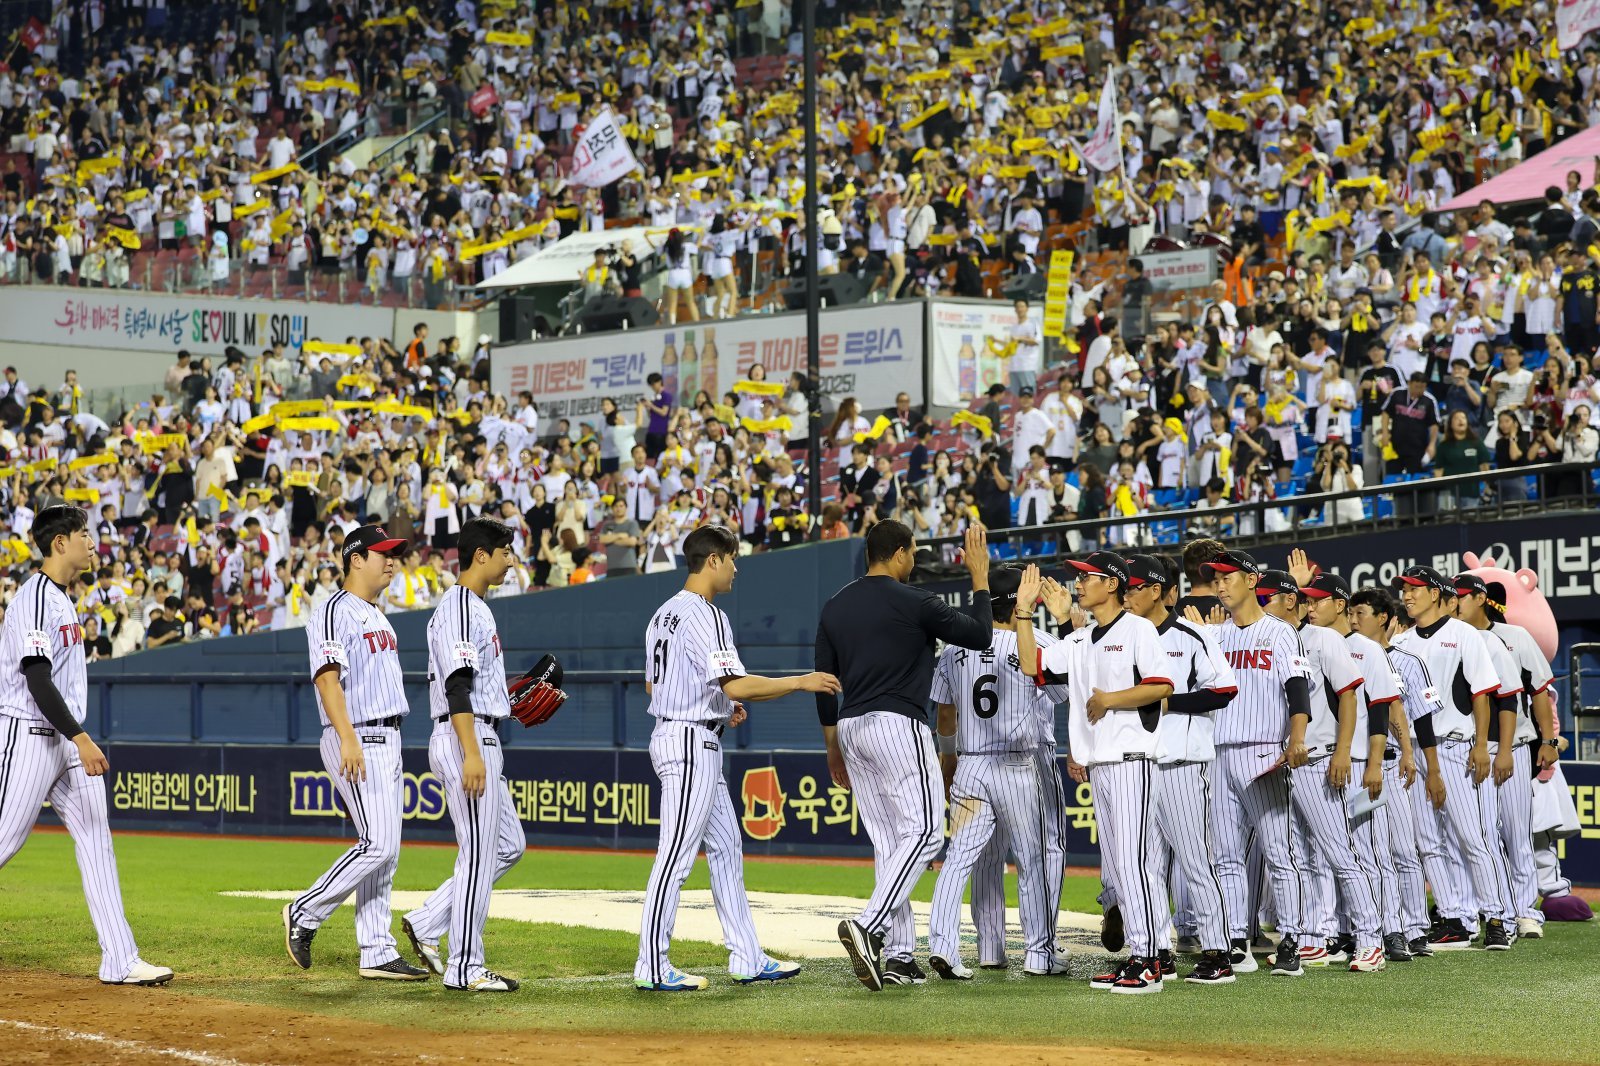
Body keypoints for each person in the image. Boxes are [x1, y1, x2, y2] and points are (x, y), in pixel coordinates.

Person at [634, 525, 839, 990]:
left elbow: (655, 685)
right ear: (712, 561)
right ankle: (650, 964)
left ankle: (746, 956)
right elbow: (735, 682)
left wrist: (722, 709)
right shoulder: (708, 614)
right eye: (731, 559)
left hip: (688, 735)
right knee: (675, 857)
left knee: (726, 847)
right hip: (688, 744)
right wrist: (798, 681)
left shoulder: (661, 613)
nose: (735, 567)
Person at [0, 505, 173, 986]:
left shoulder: (61, 598)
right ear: (60, 543)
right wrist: (80, 737)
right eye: (84, 535)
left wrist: (75, 738)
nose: (93, 543)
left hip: (66, 740)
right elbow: (35, 677)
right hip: (31, 735)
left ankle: (120, 958)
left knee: (97, 841)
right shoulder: (34, 599)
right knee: (3, 840)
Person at [821, 521, 994, 991]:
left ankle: (899, 956)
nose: (914, 560)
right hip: (897, 725)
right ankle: (869, 926)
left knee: (890, 843)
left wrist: (833, 746)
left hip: (852, 728)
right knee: (924, 835)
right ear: (898, 553)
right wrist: (979, 577)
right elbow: (980, 634)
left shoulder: (836, 604)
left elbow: (824, 683)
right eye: (913, 552)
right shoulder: (914, 600)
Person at [1014, 552, 1173, 993]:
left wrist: (1110, 700)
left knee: (1133, 862)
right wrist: (1025, 612)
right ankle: (1145, 955)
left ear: (1112, 584)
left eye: (1087, 577)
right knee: (1121, 869)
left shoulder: (1139, 629)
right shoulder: (1081, 640)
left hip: (1132, 760)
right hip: (1101, 765)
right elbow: (1032, 666)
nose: (1078, 584)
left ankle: (1147, 961)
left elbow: (1161, 687)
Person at [282, 525, 428, 982]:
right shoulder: (332, 609)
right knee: (378, 843)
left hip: (389, 735)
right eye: (382, 553)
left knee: (388, 852)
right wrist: (347, 737)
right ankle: (304, 912)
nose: (391, 561)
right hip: (357, 736)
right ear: (355, 558)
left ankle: (377, 950)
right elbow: (327, 678)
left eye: (394, 554)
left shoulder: (376, 613)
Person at [926, 565, 1070, 980]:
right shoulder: (1035, 640)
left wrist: (949, 759)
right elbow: (1061, 693)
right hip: (1016, 765)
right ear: (1019, 602)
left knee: (960, 861)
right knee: (1033, 861)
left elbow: (946, 712)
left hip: (970, 764)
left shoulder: (954, 649)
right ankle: (1039, 955)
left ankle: (953, 948)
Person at [400, 519, 526, 992]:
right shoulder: (459, 607)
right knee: (476, 855)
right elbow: (457, 685)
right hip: (466, 739)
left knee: (508, 845)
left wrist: (511, 705)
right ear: (480, 556)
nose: (509, 559)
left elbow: (475, 682)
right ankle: (466, 966)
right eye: (504, 551)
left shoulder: (474, 607)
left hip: (478, 730)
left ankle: (429, 921)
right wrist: (471, 751)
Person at [1117, 554, 1239, 984]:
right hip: (1138, 768)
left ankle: (1219, 952)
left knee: (1196, 861)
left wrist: (1168, 701)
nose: (1125, 594)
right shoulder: (1123, 636)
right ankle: (1156, 950)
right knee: (1144, 865)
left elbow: (1224, 689)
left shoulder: (1190, 635)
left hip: (1183, 767)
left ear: (1156, 591)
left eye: (1132, 588)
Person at [1390, 566, 1517, 950]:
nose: (1407, 596)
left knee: (1473, 835)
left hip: (1459, 746)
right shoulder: (1402, 642)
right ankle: (1454, 916)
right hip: (1415, 749)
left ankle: (1497, 918)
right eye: (1404, 590)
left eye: (1414, 589)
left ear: (1435, 593)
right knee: (1427, 839)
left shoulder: (1464, 634)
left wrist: (1482, 744)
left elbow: (1482, 694)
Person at [1200, 549, 1314, 976]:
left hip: (1265, 752)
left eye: (1228, 576)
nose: (1220, 583)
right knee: (1226, 856)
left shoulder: (1281, 633)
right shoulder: (1216, 637)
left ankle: (1291, 941)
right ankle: (1235, 941)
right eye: (1216, 578)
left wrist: (1297, 737)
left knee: (1279, 852)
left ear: (1252, 580)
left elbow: (1298, 689)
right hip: (1220, 753)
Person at [1294, 567, 1410, 966]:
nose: (1309, 608)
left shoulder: (1365, 648)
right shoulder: (1308, 643)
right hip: (1327, 764)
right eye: (1305, 601)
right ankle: (1336, 932)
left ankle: (1389, 931)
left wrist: (1376, 764)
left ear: (1339, 605)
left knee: (1372, 850)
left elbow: (1381, 710)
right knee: (1324, 851)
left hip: (1362, 766)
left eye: (1317, 601)